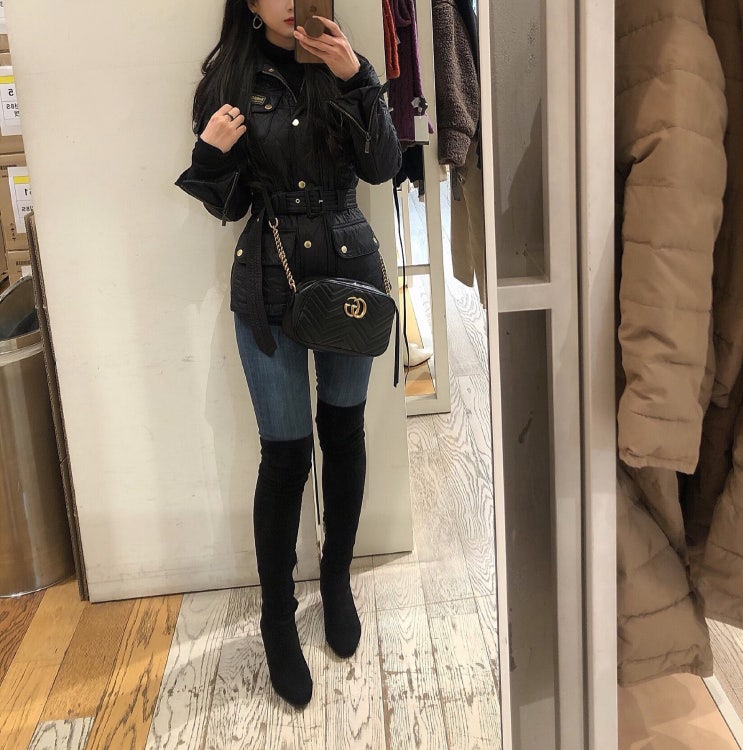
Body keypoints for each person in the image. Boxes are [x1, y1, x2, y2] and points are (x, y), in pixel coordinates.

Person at [176, 0, 401, 707]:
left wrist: (359, 80)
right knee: (285, 456)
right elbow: (230, 206)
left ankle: (335, 578)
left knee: (344, 432)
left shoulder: (345, 65)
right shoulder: (227, 81)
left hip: (347, 272)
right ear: (248, 3)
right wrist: (210, 156)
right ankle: (276, 617)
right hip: (269, 285)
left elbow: (383, 167)